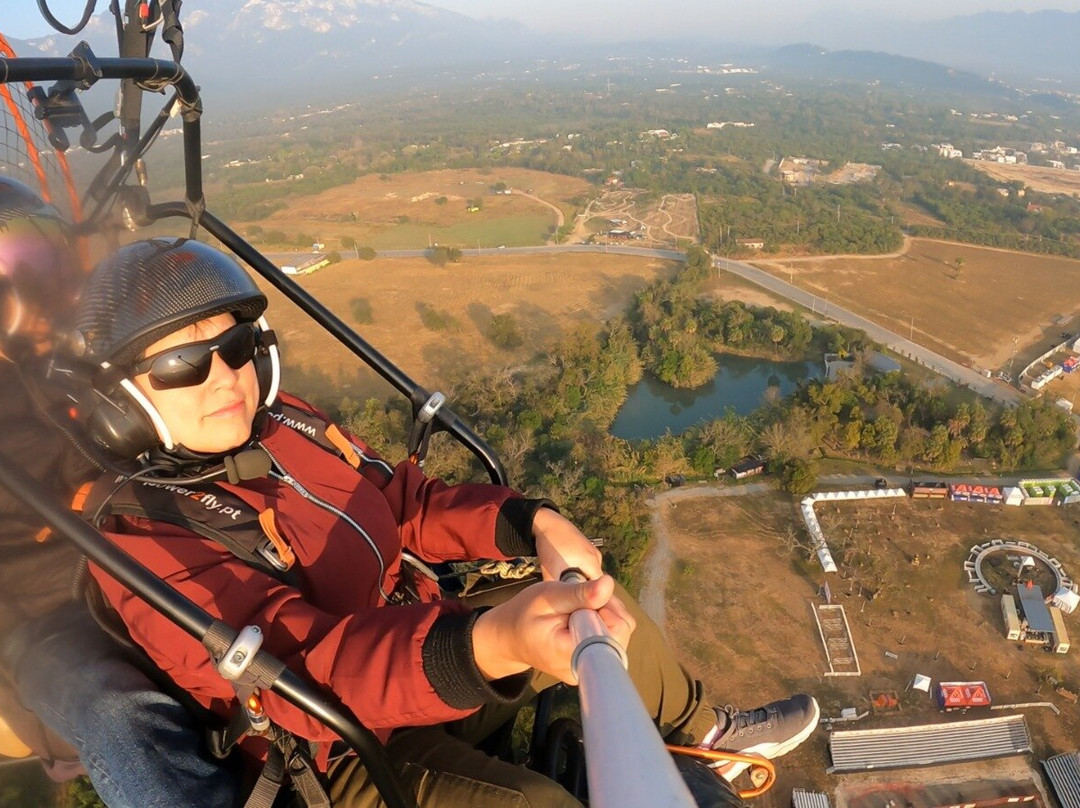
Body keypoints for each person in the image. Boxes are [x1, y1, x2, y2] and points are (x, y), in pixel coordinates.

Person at [74, 237, 820, 807]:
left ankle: (703, 740)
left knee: (597, 605)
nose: (225, 379)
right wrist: (489, 642)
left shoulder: (287, 427)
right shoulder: (141, 535)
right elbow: (303, 668)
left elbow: (404, 501)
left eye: (235, 348)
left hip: (428, 645)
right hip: (339, 752)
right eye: (182, 366)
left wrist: (532, 522)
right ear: (120, 401)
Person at [0, 179, 240, 807]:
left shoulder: (83, 356)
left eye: (42, 256)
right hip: (50, 621)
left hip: (154, 558)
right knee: (119, 713)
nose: (38, 288)